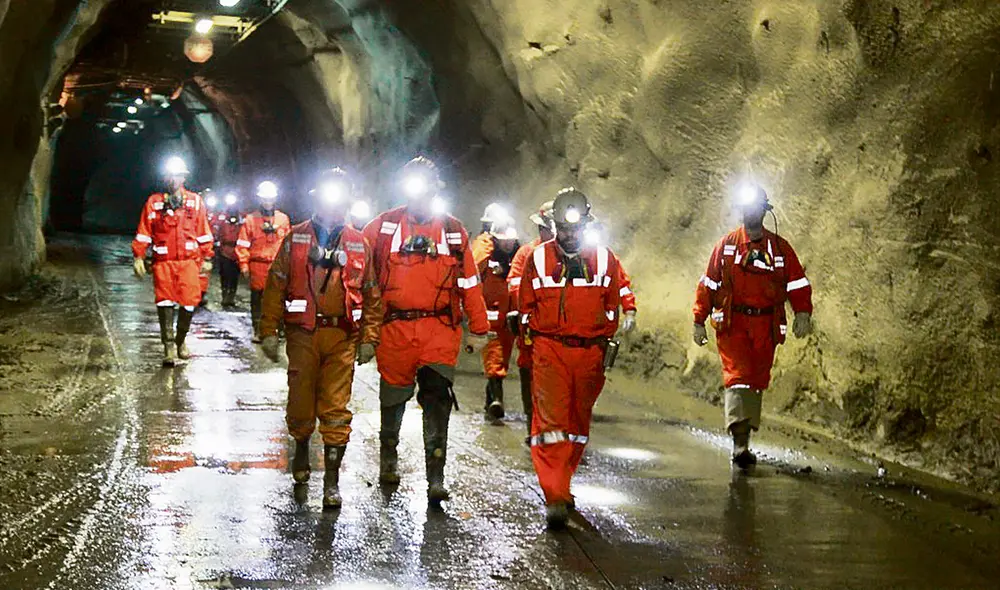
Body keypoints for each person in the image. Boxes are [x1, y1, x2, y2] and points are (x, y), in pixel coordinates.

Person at [362, 156, 490, 504]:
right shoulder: (384, 227)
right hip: (394, 329)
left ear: (436, 190)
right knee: (393, 396)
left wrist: (480, 328)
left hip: (438, 328)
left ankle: (436, 476)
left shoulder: (452, 231)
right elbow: (359, 272)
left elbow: (469, 282)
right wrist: (360, 326)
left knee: (437, 398)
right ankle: (389, 457)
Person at [259, 168, 382, 509]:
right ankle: (301, 451)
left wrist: (369, 336)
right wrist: (268, 330)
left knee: (336, 406)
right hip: (303, 334)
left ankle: (331, 481)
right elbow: (275, 284)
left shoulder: (359, 243)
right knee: (301, 400)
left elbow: (371, 293)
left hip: (341, 336)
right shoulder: (296, 238)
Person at [518, 188, 636, 528]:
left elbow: (616, 294)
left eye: (575, 228)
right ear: (554, 225)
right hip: (550, 349)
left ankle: (563, 483)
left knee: (577, 423)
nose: (568, 235)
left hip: (591, 353)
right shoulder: (537, 259)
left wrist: (625, 317)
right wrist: (533, 347)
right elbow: (525, 307)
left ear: (586, 224)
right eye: (562, 228)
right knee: (552, 423)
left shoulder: (605, 258)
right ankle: (554, 494)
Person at [692, 184, 813, 468]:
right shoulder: (727, 246)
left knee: (756, 382)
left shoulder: (779, 249)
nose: (750, 212)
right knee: (737, 378)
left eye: (755, 207)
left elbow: (797, 282)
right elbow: (708, 283)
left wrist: (803, 312)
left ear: (764, 210)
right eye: (746, 207)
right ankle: (739, 443)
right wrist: (699, 319)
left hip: (765, 327)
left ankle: (744, 438)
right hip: (734, 325)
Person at [131, 157, 214, 366]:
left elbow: (203, 231)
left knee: (189, 302)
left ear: (184, 177)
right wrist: (139, 256)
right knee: (165, 301)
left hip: (189, 262)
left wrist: (208, 256)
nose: (173, 179)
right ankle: (168, 347)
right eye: (170, 175)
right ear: (164, 177)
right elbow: (144, 232)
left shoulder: (195, 202)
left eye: (178, 175)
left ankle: (181, 341)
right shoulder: (154, 202)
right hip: (164, 262)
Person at [506, 200, 555, 440]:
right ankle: (534, 427)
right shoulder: (527, 253)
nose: (542, 232)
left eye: (545, 228)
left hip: (561, 333)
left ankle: (557, 430)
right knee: (531, 375)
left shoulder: (577, 256)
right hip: (532, 331)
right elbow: (514, 284)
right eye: (541, 228)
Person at [472, 207, 520, 422]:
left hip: (510, 317)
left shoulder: (518, 257)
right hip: (490, 316)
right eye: (504, 240)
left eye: (510, 240)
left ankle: (489, 399)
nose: (508, 243)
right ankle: (496, 401)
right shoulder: (484, 251)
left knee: (502, 359)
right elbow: (471, 273)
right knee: (494, 357)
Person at [236, 181, 291, 342]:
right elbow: (242, 244)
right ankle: (258, 329)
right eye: (264, 199)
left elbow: (289, 245)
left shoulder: (283, 219)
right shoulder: (251, 220)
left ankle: (279, 328)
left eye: (270, 198)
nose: (267, 202)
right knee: (258, 299)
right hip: (258, 265)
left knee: (279, 298)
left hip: (278, 266)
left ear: (275, 199)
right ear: (260, 199)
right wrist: (244, 265)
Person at [213, 192, 244, 307]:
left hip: (236, 252)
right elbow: (216, 229)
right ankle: (225, 294)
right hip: (224, 251)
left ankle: (231, 295)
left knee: (234, 275)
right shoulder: (221, 218)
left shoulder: (242, 219)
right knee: (225, 274)